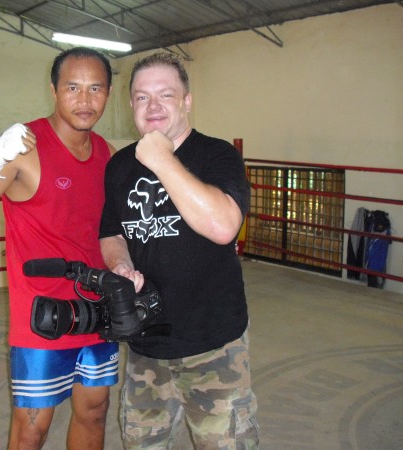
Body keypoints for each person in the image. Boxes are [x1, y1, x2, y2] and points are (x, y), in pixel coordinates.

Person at [0, 47, 118, 450]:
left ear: (109, 94)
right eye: (73, 87)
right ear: (54, 90)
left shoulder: (107, 153)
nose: (84, 99)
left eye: (95, 88)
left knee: (95, 412)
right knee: (32, 430)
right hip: (41, 319)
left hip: (97, 311)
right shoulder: (25, 147)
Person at [99, 52, 259, 449]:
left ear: (187, 101)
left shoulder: (218, 155)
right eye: (142, 97)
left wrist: (161, 159)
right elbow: (111, 233)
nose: (152, 106)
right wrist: (120, 265)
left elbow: (223, 226)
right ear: (131, 104)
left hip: (213, 345)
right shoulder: (120, 166)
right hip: (145, 345)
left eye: (165, 95)